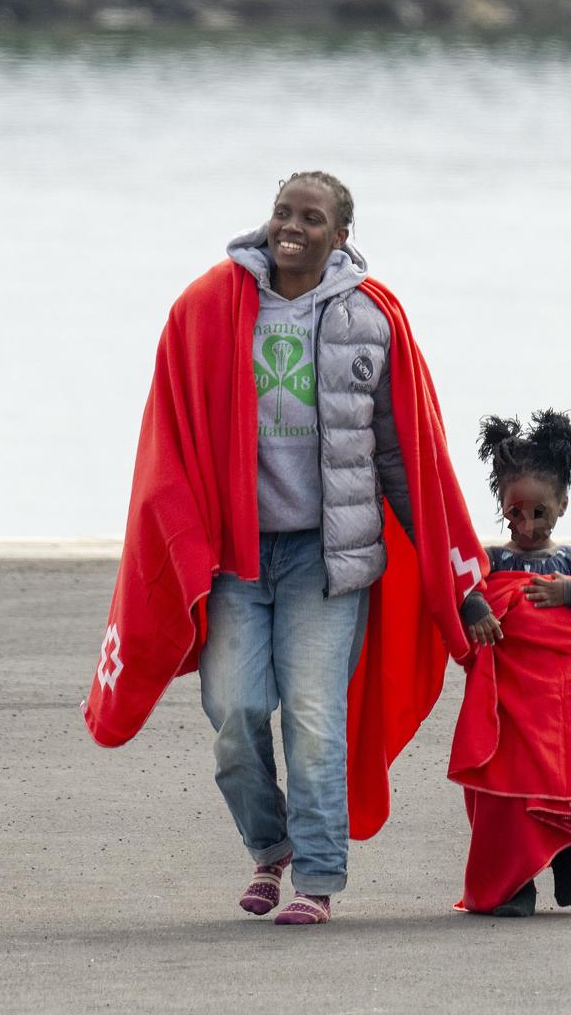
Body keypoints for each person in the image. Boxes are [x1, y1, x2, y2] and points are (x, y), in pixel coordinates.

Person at [83, 171, 487, 926]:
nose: (290, 227)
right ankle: (270, 849)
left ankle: (319, 879)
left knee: (313, 714)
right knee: (233, 709)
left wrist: (450, 570)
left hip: (329, 561)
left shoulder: (373, 319)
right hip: (238, 557)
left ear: (342, 235)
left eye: (312, 217)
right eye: (282, 212)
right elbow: (168, 436)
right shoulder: (208, 307)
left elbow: (406, 456)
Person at [452, 410, 571, 917]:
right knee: (508, 789)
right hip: (507, 695)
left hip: (563, 699)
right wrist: (475, 605)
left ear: (563, 506)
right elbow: (449, 591)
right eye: (514, 513)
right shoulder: (488, 559)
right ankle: (516, 887)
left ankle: (562, 853)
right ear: (501, 507)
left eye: (540, 513)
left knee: (557, 783)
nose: (526, 526)